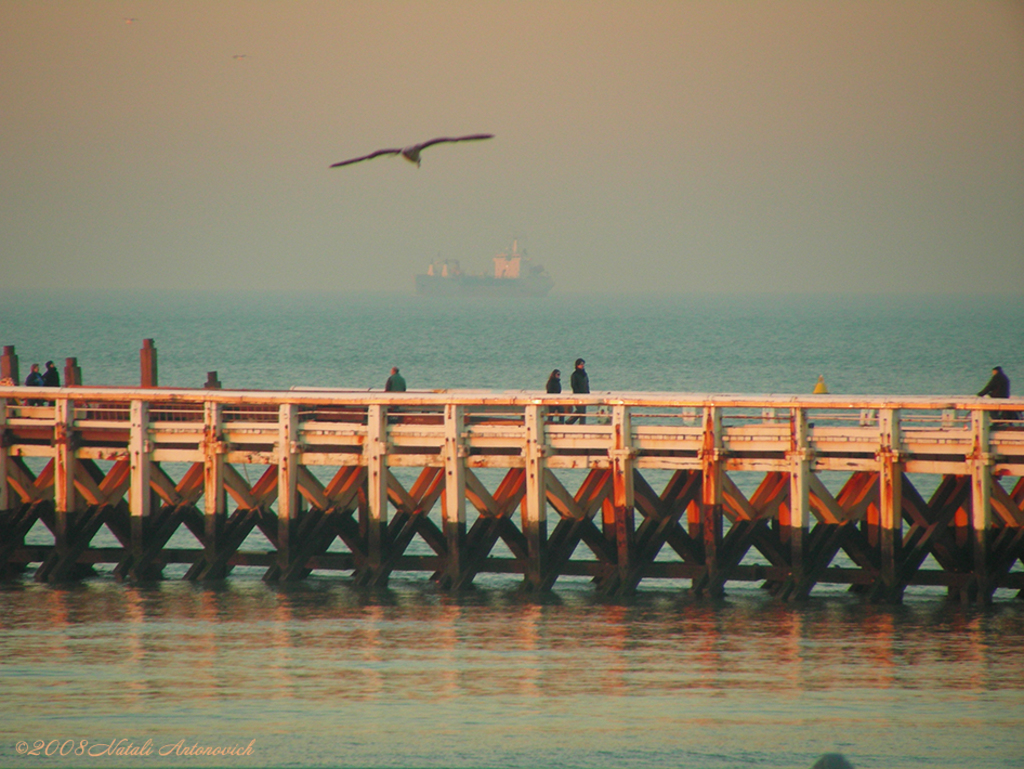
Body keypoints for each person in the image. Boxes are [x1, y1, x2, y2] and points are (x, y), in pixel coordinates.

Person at [566, 358, 589, 424]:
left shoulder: (584, 374)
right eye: (581, 364)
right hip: (578, 395)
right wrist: (578, 393)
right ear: (577, 365)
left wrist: (587, 392)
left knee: (583, 411)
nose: (582, 366)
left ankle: (582, 424)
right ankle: (569, 421)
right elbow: (573, 385)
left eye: (583, 364)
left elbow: (586, 384)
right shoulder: (575, 375)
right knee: (580, 410)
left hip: (585, 395)